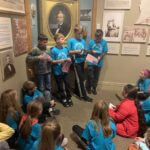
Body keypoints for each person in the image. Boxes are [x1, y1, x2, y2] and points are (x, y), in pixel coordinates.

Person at [68, 24, 92, 102]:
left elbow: (84, 51)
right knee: (80, 79)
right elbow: (68, 51)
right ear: (75, 32)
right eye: (79, 33)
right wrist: (76, 51)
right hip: (75, 62)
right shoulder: (71, 40)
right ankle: (84, 95)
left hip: (82, 61)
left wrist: (87, 55)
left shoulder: (83, 41)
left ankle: (76, 91)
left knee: (79, 78)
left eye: (81, 33)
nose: (80, 35)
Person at [26, 34, 52, 102]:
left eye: (46, 42)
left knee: (48, 86)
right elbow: (28, 59)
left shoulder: (48, 49)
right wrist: (38, 57)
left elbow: (51, 59)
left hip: (48, 71)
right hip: (39, 72)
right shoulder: (35, 49)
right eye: (44, 42)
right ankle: (42, 103)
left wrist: (50, 60)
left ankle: (48, 101)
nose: (45, 44)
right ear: (39, 41)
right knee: (41, 87)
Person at [51, 33, 73, 107]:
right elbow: (52, 61)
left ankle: (69, 97)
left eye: (63, 38)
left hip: (65, 70)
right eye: (61, 38)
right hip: (58, 71)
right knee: (60, 86)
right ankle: (63, 98)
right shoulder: (53, 50)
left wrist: (69, 59)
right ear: (57, 40)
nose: (63, 40)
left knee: (67, 84)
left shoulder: (65, 49)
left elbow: (67, 57)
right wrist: (62, 60)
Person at [86, 29, 108, 95]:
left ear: (101, 36)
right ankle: (89, 87)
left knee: (96, 76)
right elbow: (87, 51)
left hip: (99, 61)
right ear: (95, 36)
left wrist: (100, 57)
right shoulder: (91, 42)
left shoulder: (104, 42)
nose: (97, 39)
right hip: (91, 59)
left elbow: (105, 51)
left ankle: (94, 88)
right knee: (90, 76)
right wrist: (91, 51)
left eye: (99, 37)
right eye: (96, 37)